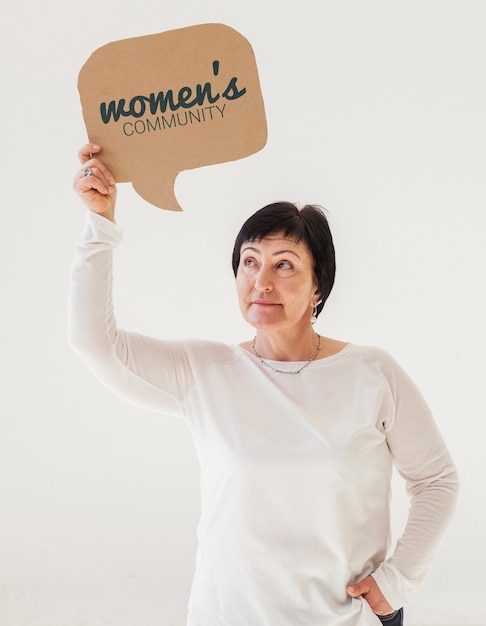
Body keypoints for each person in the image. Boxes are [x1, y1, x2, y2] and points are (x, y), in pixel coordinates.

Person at [69, 143, 459, 626]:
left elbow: (436, 481)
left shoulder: (372, 374)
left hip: (346, 618)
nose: (261, 282)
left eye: (285, 265)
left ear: (319, 285)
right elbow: (94, 343)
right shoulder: (205, 372)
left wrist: (397, 581)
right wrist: (100, 224)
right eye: (250, 262)